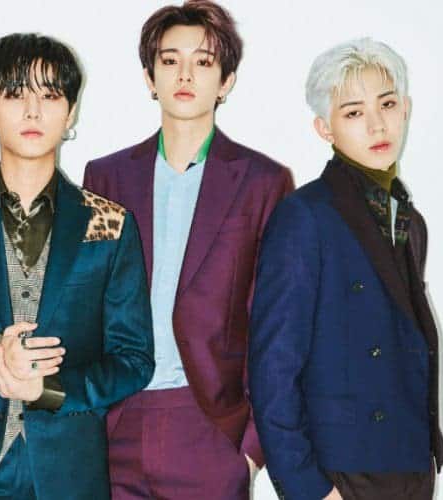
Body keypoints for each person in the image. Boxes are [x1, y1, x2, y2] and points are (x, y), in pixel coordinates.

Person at [0, 33, 154, 500]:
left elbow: (133, 360)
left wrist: (48, 390)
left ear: (70, 112)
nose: (32, 112)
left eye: (50, 96)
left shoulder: (110, 225)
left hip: (67, 474)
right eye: (15, 94)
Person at [83, 2, 293, 498]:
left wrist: (249, 450)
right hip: (119, 423)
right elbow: (85, 306)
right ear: (149, 77)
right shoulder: (106, 177)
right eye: (170, 60)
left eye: (203, 61)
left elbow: (278, 322)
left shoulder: (263, 182)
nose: (185, 74)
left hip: (209, 427)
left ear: (226, 81)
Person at [249, 38, 443, 500]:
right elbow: (273, 367)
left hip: (409, 467)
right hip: (342, 473)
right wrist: (308, 488)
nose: (377, 124)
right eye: (354, 112)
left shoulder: (410, 220)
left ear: (406, 109)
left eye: (387, 104)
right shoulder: (305, 216)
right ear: (325, 128)